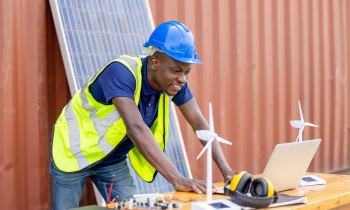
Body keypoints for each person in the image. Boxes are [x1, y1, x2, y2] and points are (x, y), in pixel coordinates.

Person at [49, 21, 250, 210]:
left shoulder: (172, 82)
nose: (182, 79)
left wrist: (226, 171)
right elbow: (135, 127)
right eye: (176, 70)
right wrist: (178, 179)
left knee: (132, 207)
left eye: (187, 72)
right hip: (73, 152)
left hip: (111, 159)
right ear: (154, 62)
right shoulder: (121, 72)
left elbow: (198, 121)